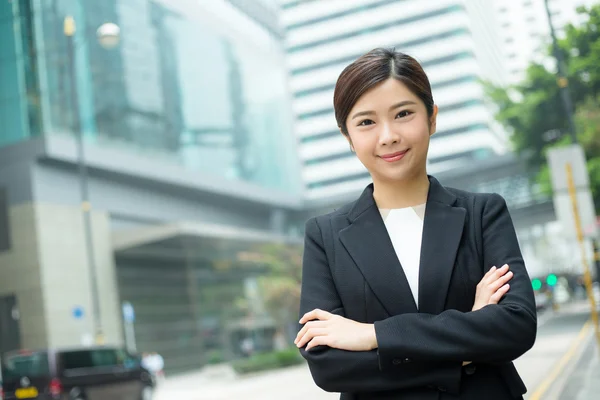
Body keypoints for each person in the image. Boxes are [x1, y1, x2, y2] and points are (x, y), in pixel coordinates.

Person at [294, 48, 537, 400]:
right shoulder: (325, 236)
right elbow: (329, 364)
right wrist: (468, 341)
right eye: (366, 122)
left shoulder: (483, 214)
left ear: (432, 118)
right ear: (348, 137)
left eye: (403, 113)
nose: (388, 135)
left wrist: (373, 335)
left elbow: (515, 326)